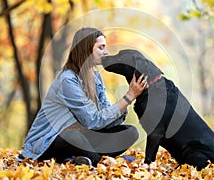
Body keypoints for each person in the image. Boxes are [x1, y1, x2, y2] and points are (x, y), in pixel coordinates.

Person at [19, 27, 148, 166]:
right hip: (49, 141)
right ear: (86, 49)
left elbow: (104, 119)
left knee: (130, 132)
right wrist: (129, 96)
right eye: (101, 47)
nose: (105, 52)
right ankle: (104, 162)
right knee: (73, 137)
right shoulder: (67, 79)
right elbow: (92, 120)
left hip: (82, 137)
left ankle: (83, 159)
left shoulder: (96, 77)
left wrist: (123, 107)